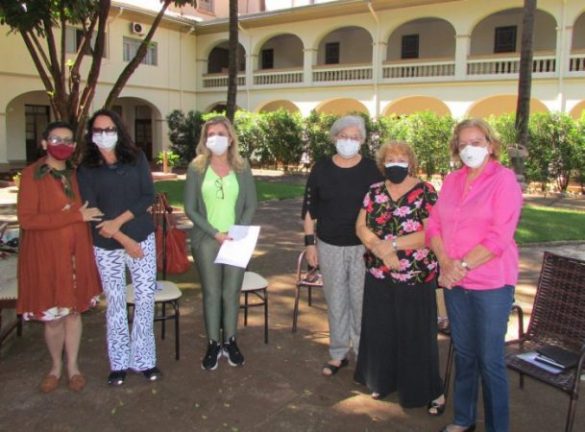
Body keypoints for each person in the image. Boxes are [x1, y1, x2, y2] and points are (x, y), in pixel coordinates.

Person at [427, 119, 523, 432]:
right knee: (465, 353)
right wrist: (444, 260)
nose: (470, 149)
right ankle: (464, 419)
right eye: (464, 144)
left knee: (490, 358)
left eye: (477, 142)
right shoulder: (452, 180)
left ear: (491, 145)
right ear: (457, 149)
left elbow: (500, 236)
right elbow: (433, 226)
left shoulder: (504, 180)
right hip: (456, 283)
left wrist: (460, 267)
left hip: (491, 284)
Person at [353, 141, 445, 412]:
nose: (396, 162)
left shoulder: (426, 191)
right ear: (383, 163)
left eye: (401, 157)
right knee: (382, 330)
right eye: (390, 158)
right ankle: (383, 380)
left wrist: (391, 246)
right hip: (379, 273)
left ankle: (424, 390)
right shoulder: (374, 191)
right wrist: (380, 251)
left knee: (415, 334)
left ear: (411, 161)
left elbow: (431, 235)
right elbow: (360, 226)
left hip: (415, 275)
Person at [17, 121, 103, 393]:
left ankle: (73, 367)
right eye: (56, 139)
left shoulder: (78, 176)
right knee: (53, 317)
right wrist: (72, 215)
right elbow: (28, 220)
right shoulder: (32, 175)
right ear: (44, 143)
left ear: (75, 146)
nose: (62, 145)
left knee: (73, 314)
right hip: (46, 257)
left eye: (68, 140)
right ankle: (55, 366)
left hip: (75, 256)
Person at [78, 109, 161, 386]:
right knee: (115, 303)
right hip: (107, 244)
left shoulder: (135, 157)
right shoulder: (86, 168)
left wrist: (120, 224)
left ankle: (145, 360)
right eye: (98, 130)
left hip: (141, 237)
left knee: (145, 299)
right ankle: (118, 363)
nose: (104, 134)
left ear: (119, 130)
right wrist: (122, 239)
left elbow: (147, 196)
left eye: (109, 128)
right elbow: (91, 211)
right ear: (91, 135)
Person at [301, 115, 382, 376]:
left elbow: (380, 209)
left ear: (362, 141)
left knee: (361, 301)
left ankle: (362, 352)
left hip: (363, 247)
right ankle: (338, 353)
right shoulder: (321, 168)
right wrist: (310, 244)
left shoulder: (372, 170)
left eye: (355, 137)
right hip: (328, 244)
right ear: (335, 138)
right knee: (336, 300)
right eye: (344, 137)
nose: (349, 142)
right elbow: (309, 208)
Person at [184, 116, 257, 371]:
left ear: (230, 138)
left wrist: (238, 232)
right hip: (207, 239)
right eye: (211, 133)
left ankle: (231, 341)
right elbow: (190, 209)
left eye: (221, 133)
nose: (216, 137)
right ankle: (214, 342)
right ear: (205, 139)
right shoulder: (196, 168)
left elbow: (251, 205)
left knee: (231, 293)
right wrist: (215, 233)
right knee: (212, 293)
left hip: (236, 239)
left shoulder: (242, 166)